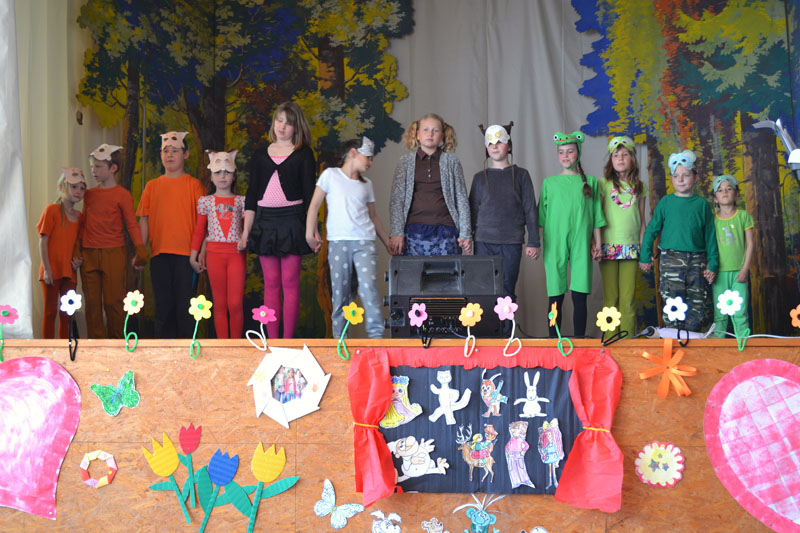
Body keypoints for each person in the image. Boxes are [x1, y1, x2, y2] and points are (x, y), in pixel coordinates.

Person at [240, 102, 315, 339]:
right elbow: (252, 195)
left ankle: (288, 341)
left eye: (289, 123)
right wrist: (245, 231)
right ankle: (272, 341)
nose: (282, 126)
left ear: (297, 127)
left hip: (293, 220)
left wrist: (312, 230)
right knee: (271, 282)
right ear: (273, 122)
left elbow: (310, 196)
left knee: (290, 281)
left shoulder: (304, 153)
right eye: (279, 120)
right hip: (265, 221)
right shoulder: (260, 154)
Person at [306, 137, 391, 339]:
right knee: (340, 293)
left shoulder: (367, 184)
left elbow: (373, 216)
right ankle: (340, 340)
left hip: (364, 243)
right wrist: (310, 233)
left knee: (368, 288)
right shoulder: (330, 175)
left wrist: (387, 241)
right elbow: (314, 205)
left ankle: (376, 338)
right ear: (353, 152)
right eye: (368, 157)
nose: (370, 162)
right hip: (339, 242)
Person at [136, 131, 205, 338]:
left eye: (175, 151)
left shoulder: (194, 185)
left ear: (186, 154)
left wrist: (201, 252)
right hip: (159, 255)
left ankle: (187, 351)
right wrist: (141, 252)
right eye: (166, 151)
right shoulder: (152, 186)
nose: (170, 155)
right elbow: (144, 220)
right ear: (160, 154)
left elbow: (203, 223)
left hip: (186, 257)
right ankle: (163, 352)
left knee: (185, 308)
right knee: (163, 308)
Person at [640, 150, 719, 330]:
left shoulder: (702, 205)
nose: (681, 179)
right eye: (676, 176)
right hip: (671, 261)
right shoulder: (666, 202)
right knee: (672, 304)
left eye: (686, 175)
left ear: (695, 177)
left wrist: (713, 264)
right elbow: (651, 230)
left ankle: (692, 341)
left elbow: (710, 236)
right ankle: (673, 341)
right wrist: (645, 256)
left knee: (697, 306)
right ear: (672, 179)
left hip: (697, 261)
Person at [539, 131, 606, 337]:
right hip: (554, 242)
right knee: (555, 295)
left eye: (570, 151)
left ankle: (579, 339)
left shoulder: (590, 182)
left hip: (581, 242)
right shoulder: (549, 183)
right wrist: (538, 243)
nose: (565, 156)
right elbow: (541, 217)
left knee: (579, 295)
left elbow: (596, 215)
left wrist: (597, 243)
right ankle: (554, 339)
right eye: (561, 152)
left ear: (578, 153)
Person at [76, 144, 147, 338]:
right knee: (92, 304)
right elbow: (83, 223)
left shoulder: (122, 195)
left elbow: (132, 224)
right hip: (89, 254)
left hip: (114, 253)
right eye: (93, 166)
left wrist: (140, 249)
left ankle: (117, 343)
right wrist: (77, 250)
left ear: (113, 168)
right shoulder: (89, 194)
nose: (94, 170)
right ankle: (95, 345)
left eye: (98, 166)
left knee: (113, 301)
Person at [469, 123, 540, 318]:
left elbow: (530, 209)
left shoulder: (522, 175)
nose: (495, 146)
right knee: (483, 289)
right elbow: (472, 210)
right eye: (490, 143)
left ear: (508, 146)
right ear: (486, 148)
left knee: (507, 289)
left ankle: (506, 332)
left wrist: (533, 241)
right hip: (483, 241)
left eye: (499, 142)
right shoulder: (479, 178)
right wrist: (467, 238)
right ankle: (486, 332)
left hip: (511, 241)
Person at [388, 113, 471, 256]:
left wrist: (465, 234)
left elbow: (461, 199)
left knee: (448, 270)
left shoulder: (452, 162)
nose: (430, 134)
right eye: (425, 129)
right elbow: (397, 200)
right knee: (414, 270)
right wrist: (396, 232)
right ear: (417, 135)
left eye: (435, 130)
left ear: (442, 136)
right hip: (413, 231)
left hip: (446, 230)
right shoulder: (405, 162)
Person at [190, 150, 246, 338]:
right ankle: (223, 345)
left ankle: (236, 345)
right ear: (211, 177)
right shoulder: (206, 202)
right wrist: (193, 255)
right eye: (218, 172)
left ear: (234, 175)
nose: (223, 176)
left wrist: (245, 240)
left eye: (227, 172)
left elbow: (247, 230)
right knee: (220, 304)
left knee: (235, 303)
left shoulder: (241, 202)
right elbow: (200, 229)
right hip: (214, 255)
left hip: (236, 255)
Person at [598, 136, 648, 335]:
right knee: (611, 298)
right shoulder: (603, 184)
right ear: (611, 160)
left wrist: (644, 249)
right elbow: (597, 217)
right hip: (608, 246)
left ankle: (627, 341)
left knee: (628, 298)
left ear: (632, 158)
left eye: (625, 154)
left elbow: (642, 220)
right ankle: (610, 340)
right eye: (616, 155)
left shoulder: (640, 187)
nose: (620, 158)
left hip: (631, 247)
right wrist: (595, 243)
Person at [37, 168, 86, 338]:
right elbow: (43, 241)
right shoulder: (52, 210)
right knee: (50, 312)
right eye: (74, 187)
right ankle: (48, 349)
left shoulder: (80, 217)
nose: (78, 191)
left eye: (82, 188)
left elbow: (79, 245)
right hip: (52, 270)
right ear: (61, 187)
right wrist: (47, 269)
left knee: (67, 314)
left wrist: (79, 260)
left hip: (70, 272)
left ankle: (66, 348)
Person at [711, 175, 754, 337]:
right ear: (715, 198)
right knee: (720, 312)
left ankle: (743, 342)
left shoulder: (743, 216)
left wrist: (745, 269)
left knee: (740, 311)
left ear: (736, 195)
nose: (725, 192)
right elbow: (709, 247)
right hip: (719, 273)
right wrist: (710, 268)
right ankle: (718, 344)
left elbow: (750, 244)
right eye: (720, 190)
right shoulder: (713, 220)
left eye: (729, 189)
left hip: (738, 272)